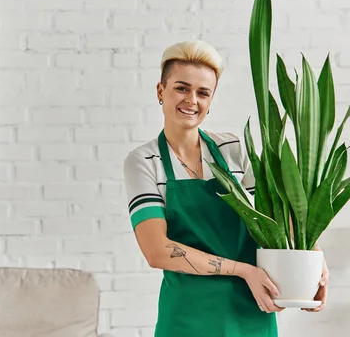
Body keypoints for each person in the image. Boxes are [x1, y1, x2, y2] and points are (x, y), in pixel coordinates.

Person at [123, 40, 329, 336]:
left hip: (251, 311)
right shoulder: (144, 161)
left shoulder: (232, 148)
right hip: (187, 318)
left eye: (203, 92)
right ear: (160, 91)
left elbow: (275, 219)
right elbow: (158, 251)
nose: (191, 100)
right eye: (182, 88)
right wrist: (243, 270)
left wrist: (313, 258)